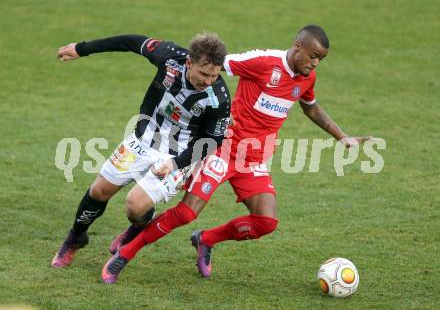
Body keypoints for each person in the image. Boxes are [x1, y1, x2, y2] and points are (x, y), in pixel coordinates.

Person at [101, 24, 372, 283]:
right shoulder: (263, 61)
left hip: (254, 157)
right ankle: (125, 254)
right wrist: (215, 116)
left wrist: (342, 136)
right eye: (313, 56)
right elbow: (213, 65)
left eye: (320, 59)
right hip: (223, 148)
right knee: (185, 213)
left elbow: (310, 108)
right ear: (297, 46)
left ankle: (206, 239)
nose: (315, 63)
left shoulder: (307, 78)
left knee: (266, 221)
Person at [51, 33, 231, 268]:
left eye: (215, 75)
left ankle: (136, 227)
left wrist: (176, 164)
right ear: (189, 63)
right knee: (99, 191)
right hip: (142, 140)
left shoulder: (218, 98)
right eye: (204, 74)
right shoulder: (170, 58)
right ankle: (76, 237)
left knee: (135, 206)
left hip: (178, 156)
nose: (209, 80)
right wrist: (82, 48)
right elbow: (132, 42)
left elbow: (211, 141)